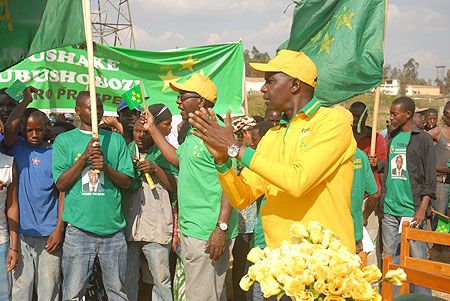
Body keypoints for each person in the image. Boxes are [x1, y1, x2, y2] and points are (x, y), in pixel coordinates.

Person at [188, 49, 357, 252]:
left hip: (324, 261)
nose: (263, 88)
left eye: (270, 81)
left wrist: (236, 148)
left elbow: (298, 181)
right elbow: (242, 198)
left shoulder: (332, 122)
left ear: (294, 85)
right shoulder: (272, 136)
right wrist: (223, 162)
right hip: (280, 262)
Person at [140, 73, 238, 300]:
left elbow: (231, 183)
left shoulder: (218, 133)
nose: (178, 102)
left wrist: (220, 229)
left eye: (183, 96)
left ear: (201, 101)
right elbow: (177, 160)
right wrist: (153, 129)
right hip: (193, 231)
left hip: (209, 233)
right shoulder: (195, 133)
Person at [52, 91, 134, 300]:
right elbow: (61, 183)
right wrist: (84, 159)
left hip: (113, 231)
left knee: (117, 292)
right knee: (72, 292)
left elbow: (127, 182)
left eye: (99, 107)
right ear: (78, 111)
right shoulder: (64, 141)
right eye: (90, 108)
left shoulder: (116, 141)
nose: (97, 112)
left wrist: (106, 168)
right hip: (79, 231)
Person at [4, 87, 64, 300]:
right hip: (21, 234)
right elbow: (9, 130)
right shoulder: (16, 147)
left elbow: (61, 194)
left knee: (49, 291)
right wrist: (25, 102)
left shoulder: (54, 152)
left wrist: (59, 228)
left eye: (38, 129)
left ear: (45, 128)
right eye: (29, 130)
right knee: (22, 290)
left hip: (49, 235)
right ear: (22, 129)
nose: (34, 134)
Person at [379, 96, 435, 296]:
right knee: (390, 258)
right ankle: (392, 297)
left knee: (418, 260)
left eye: (395, 113)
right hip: (390, 211)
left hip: (412, 212)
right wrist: (377, 163)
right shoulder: (391, 137)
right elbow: (388, 170)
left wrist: (422, 209)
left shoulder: (423, 139)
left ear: (408, 114)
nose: (391, 117)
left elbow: (429, 178)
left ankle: (423, 298)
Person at [125, 105, 178, 301]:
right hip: (130, 228)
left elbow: (177, 186)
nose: (140, 136)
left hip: (156, 227)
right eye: (137, 131)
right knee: (128, 279)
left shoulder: (165, 152)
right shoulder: (126, 150)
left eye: (145, 132)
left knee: (160, 280)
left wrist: (156, 170)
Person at [349, 101, 387, 195]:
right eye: (352, 116)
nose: (354, 119)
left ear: (365, 116)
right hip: (347, 189)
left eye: (358, 116)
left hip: (369, 193)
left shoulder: (376, 138)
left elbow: (384, 163)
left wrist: (377, 162)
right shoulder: (344, 136)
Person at [0, 153, 19, 300]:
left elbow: (12, 206)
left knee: (4, 294)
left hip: (2, 241)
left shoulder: (8, 163)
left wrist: (14, 246)